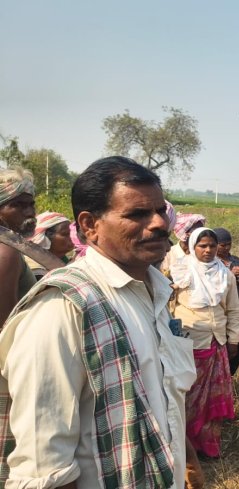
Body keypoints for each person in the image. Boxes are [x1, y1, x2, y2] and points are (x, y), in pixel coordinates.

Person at [0, 156, 196, 488]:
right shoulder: (63, 307)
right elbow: (43, 466)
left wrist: (187, 458)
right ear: (90, 225)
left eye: (160, 210)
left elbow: (162, 398)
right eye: (137, 214)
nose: (159, 224)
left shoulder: (155, 292)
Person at [171, 227, 239, 458]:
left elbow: (233, 309)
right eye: (203, 246)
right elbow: (168, 306)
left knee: (213, 396)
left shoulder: (225, 274)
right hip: (188, 344)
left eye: (212, 245)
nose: (209, 250)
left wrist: (234, 339)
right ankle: (186, 447)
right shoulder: (181, 271)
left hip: (217, 342)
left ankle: (208, 446)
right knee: (189, 397)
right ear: (193, 247)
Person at [0, 167, 37, 325]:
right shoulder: (6, 252)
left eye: (31, 204)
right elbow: (7, 326)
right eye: (18, 205)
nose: (30, 212)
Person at [214, 227, 239, 376]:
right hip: (221, 319)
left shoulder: (235, 259)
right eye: (223, 245)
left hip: (238, 315)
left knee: (235, 356)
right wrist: (230, 273)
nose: (227, 248)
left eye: (229, 244)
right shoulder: (211, 263)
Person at [26, 211, 74, 280]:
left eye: (71, 232)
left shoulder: (63, 259)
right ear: (46, 238)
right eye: (65, 234)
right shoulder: (37, 270)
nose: (71, 236)